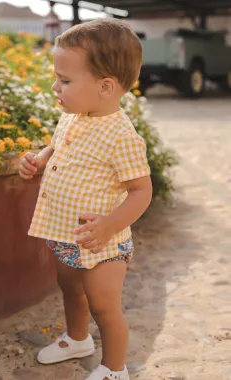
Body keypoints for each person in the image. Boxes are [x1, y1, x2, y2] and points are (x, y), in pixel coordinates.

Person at [19, 18, 152, 380]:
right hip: (65, 232)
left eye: (64, 80)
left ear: (106, 87)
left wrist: (110, 224)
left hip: (102, 243)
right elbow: (58, 144)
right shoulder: (76, 115)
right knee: (70, 290)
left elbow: (142, 190)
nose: (55, 86)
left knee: (104, 307)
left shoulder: (121, 136)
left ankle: (114, 368)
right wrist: (40, 159)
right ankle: (78, 339)